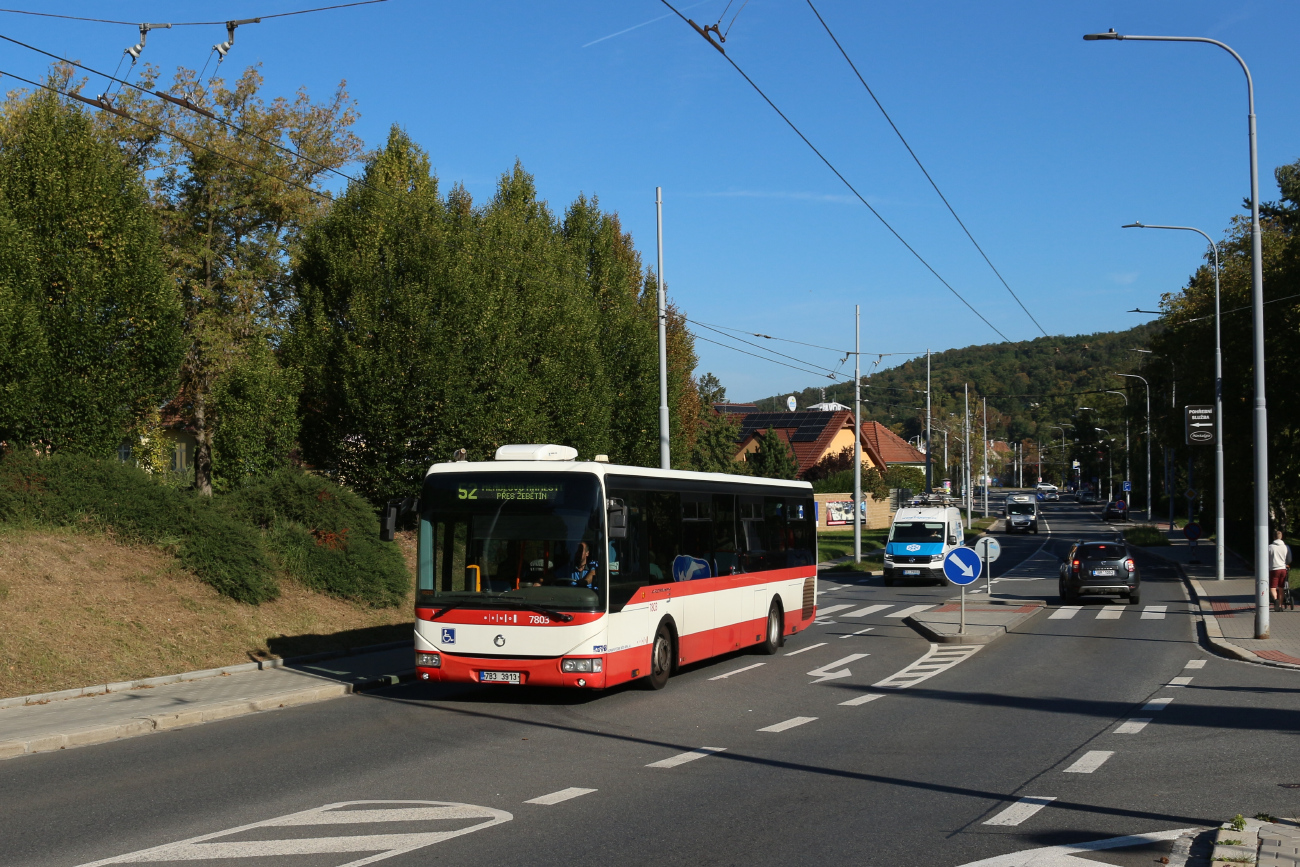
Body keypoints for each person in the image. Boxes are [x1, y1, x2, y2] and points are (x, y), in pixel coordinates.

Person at [1268, 529, 1292, 611]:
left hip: (1274, 569)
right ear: (1281, 537)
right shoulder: (1286, 547)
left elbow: (1266, 558)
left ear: (1274, 537)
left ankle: (1275, 600)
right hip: (1283, 569)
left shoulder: (1270, 547)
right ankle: (1281, 606)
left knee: (1272, 587)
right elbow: (1289, 559)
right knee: (1281, 587)